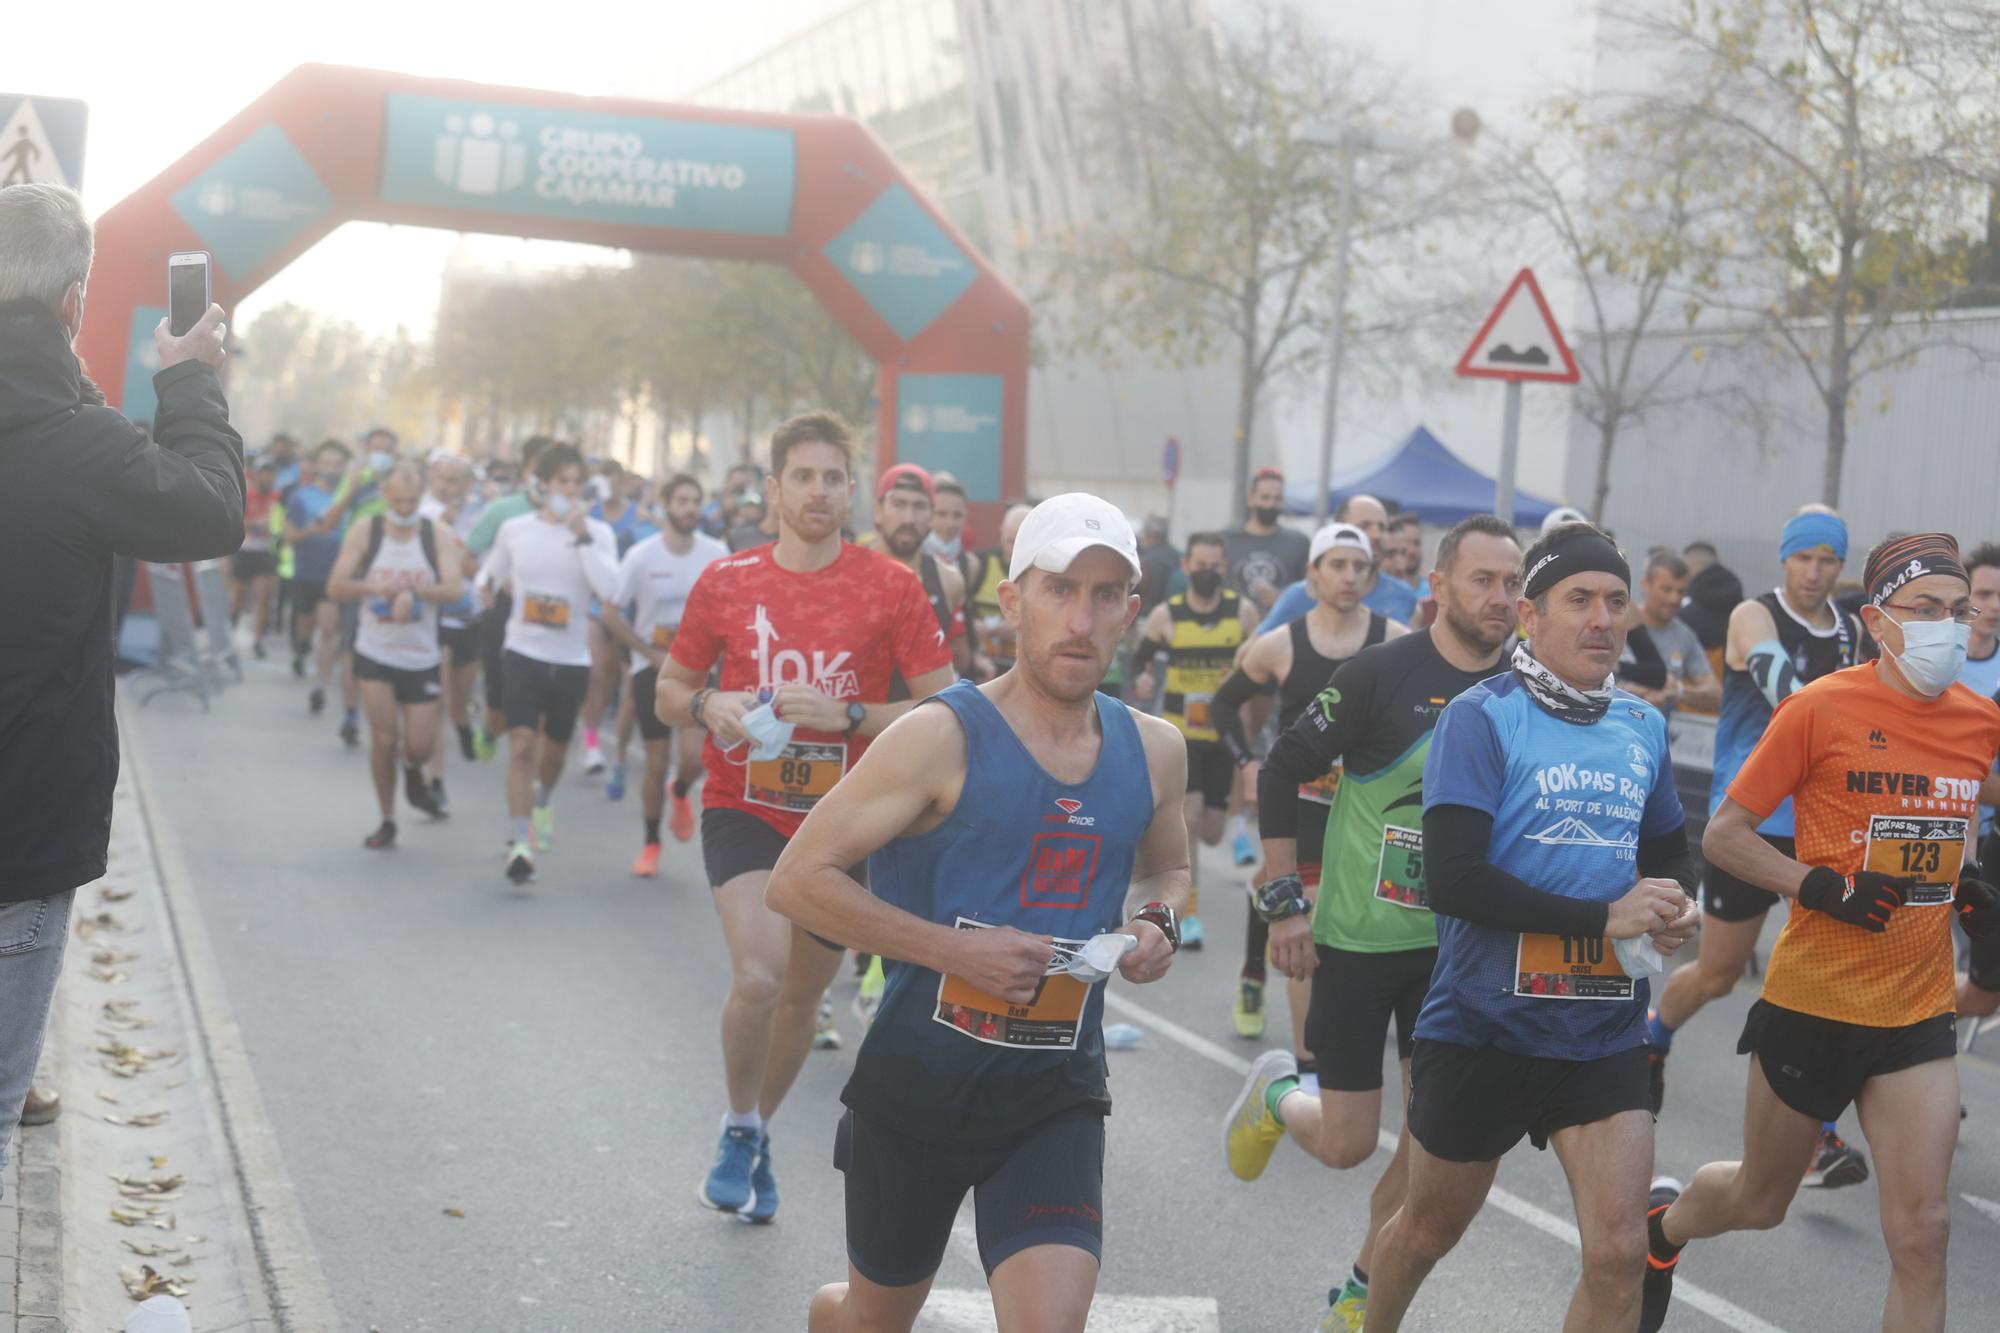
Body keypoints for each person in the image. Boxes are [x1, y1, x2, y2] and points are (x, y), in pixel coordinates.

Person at [765, 493, 1189, 1333]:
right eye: (1061, 588)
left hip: (1055, 1093)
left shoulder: (1154, 747)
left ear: (1130, 613)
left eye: (1106, 595)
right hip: (918, 1089)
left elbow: (1172, 867)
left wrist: (1159, 924)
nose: (1082, 616)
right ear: (1011, 601)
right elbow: (798, 878)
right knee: (869, 1320)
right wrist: (955, 953)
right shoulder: (939, 736)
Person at [1642, 534, 2000, 1333]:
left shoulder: (1979, 721)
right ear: (1878, 620)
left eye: (1958, 610)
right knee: (1758, 1200)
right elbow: (1726, 834)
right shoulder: (1820, 706)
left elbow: (1954, 820)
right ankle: (1660, 1232)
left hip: (1915, 1010)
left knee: (1923, 1231)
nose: (1949, 625)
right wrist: (1820, 884)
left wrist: (1970, 883)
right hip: (1816, 997)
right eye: (1926, 610)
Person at [1360, 520, 1700, 1333]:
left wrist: (1676, 905)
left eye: (1616, 601)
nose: (1603, 618)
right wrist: (1603, 913)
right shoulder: (1482, 718)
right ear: (1530, 615)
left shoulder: (1642, 727)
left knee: (1618, 1253)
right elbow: (1455, 879)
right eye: (1578, 599)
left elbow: (1669, 856)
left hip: (1603, 1029)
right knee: (1427, 1229)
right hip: (1486, 1025)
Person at [1222, 514, 1523, 1333]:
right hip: (1358, 942)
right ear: (1438, 587)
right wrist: (1283, 900)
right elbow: (1282, 769)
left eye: (1512, 582)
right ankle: (1281, 1095)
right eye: (1482, 580)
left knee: (1431, 1148)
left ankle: (1360, 1290)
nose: (1500, 598)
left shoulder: (1525, 688)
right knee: (1349, 1142)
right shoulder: (1380, 674)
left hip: (1459, 956)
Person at [653, 411, 955, 1224]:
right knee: (757, 975)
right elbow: (668, 692)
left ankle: (753, 1132)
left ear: (850, 491)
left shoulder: (891, 585)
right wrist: (711, 700)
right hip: (744, 804)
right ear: (773, 488)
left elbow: (948, 710)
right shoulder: (727, 581)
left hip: (846, 820)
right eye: (803, 476)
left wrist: (846, 713)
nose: (818, 491)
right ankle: (740, 1124)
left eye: (832, 478)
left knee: (796, 997)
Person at [0, 181, 243, 1168]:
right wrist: (188, 382)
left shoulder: (73, 436)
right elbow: (210, 511)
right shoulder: (80, 450)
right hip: (19, 831)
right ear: (71, 306)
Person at [1646, 507, 1871, 1187]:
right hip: (1749, 821)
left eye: (1828, 560)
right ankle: (1651, 1036)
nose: (1815, 572)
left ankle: (1817, 1133)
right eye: (1804, 558)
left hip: (1824, 826)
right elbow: (1784, 692)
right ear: (1785, 559)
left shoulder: (1853, 629)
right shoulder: (1754, 615)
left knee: (1819, 970)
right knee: (1718, 972)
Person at [1210, 522, 1400, 1049]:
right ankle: (1306, 1062)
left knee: (1335, 917)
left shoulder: (1396, 641)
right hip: (1301, 805)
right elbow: (1222, 704)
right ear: (1312, 574)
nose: (1349, 576)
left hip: (1365, 811)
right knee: (1308, 919)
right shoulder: (1279, 645)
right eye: (1337, 565)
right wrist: (1247, 763)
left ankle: (1263, 954)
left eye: (1359, 566)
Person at [474, 443, 619, 883]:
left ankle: (541, 803)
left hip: (571, 659)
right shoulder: (516, 529)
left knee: (554, 751)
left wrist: (582, 538)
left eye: (577, 484)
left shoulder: (598, 533)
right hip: (523, 652)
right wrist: (483, 586)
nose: (570, 491)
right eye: (562, 483)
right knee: (521, 745)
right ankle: (520, 842)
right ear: (543, 486)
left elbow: (609, 589)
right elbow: (491, 571)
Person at [1129, 533, 1259, 949]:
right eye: (1199, 564)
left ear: (1225, 568)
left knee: (1211, 832)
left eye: (1215, 565)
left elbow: (1257, 672)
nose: (1207, 572)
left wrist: (1243, 701)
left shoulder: (1243, 614)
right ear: (1186, 567)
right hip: (1180, 737)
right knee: (1190, 816)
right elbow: (1138, 661)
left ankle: (1231, 825)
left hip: (1221, 734)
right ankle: (1192, 915)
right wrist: (1144, 679)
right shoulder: (1168, 616)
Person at [327, 462, 464, 848]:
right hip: (376, 652)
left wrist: (414, 593)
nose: (403, 508)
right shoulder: (365, 532)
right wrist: (375, 586)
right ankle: (387, 818)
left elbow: (454, 589)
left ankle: (412, 770)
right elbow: (336, 585)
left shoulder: (435, 535)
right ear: (384, 496)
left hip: (420, 656)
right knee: (384, 739)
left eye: (411, 501)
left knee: (419, 747)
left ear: (421, 498)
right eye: (397, 500)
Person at [599, 474, 727, 875]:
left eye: (696, 501)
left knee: (692, 758)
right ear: (667, 506)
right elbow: (610, 612)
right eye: (682, 501)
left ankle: (682, 789)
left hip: (698, 671)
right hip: (651, 670)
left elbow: (729, 611)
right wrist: (648, 652)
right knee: (655, 762)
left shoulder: (716, 552)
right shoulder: (641, 555)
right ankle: (651, 843)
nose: (690, 508)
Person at [464, 436, 555, 753]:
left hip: (553, 622)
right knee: (500, 707)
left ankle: (536, 778)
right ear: (529, 470)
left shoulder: (577, 522)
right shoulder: (503, 511)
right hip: (504, 614)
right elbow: (469, 556)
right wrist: (487, 584)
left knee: (541, 715)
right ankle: (491, 728)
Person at [873, 464, 970, 676]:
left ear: (930, 515)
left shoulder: (950, 581)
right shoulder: (853, 574)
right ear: (879, 512)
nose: (908, 518)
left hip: (921, 705)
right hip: (857, 707)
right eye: (898, 504)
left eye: (919, 506)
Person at [285, 441, 353, 716]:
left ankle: (320, 686)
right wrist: (310, 532)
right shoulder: (301, 497)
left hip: (335, 575)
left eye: (337, 464)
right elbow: (289, 537)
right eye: (326, 463)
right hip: (306, 572)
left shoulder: (351, 499)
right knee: (306, 626)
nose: (331, 469)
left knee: (328, 630)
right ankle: (301, 649)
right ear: (317, 466)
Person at [1265, 494, 1392, 631]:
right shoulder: (1297, 597)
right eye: (1364, 526)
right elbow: (1253, 649)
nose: (1377, 535)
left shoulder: (1404, 597)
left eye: (1382, 527)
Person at [1616, 551, 1720, 714]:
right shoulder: (1617, 622)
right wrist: (1636, 691)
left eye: (1681, 591)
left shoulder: (1684, 636)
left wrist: (1678, 691)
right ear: (1646, 584)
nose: (1674, 599)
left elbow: (1716, 695)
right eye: (1666, 589)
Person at [1223, 467, 1311, 619]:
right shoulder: (1227, 540)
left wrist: (1284, 597)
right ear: (1251, 499)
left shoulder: (1298, 543)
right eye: (1264, 497)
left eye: (1277, 498)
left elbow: (1312, 591)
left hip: (1282, 629)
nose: (1270, 504)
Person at [968, 503, 1034, 680]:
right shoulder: (979, 563)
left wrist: (1023, 630)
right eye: (1010, 541)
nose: (1014, 550)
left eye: (1021, 542)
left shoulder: (1045, 572)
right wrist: (972, 625)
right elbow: (960, 609)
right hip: (982, 665)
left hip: (1025, 671)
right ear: (1001, 532)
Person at [231, 456, 282, 657]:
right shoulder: (247, 494)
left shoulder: (277, 498)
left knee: (262, 598)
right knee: (239, 595)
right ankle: (233, 620)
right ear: (257, 475)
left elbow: (279, 524)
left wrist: (272, 526)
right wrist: (255, 524)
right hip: (244, 551)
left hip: (265, 553)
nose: (267, 478)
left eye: (271, 474)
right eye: (264, 474)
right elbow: (237, 521)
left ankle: (258, 640)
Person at [1365, 514, 1424, 624]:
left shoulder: (1411, 603)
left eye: (1403, 553)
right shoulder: (1346, 601)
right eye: (1390, 555)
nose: (1401, 566)